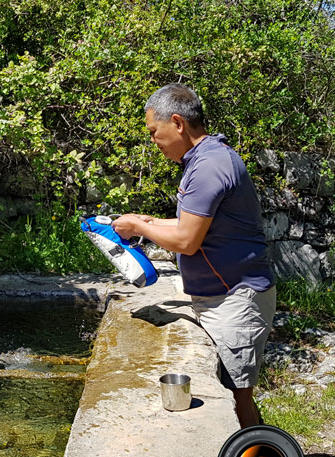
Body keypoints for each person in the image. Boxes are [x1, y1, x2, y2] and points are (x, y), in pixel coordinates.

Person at [112, 83, 275, 428]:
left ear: (177, 123)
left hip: (235, 299)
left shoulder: (208, 165)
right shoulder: (207, 158)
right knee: (233, 396)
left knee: (235, 400)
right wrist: (148, 221)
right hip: (225, 296)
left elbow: (186, 240)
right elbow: (196, 225)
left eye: (155, 133)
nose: (154, 142)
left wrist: (139, 227)